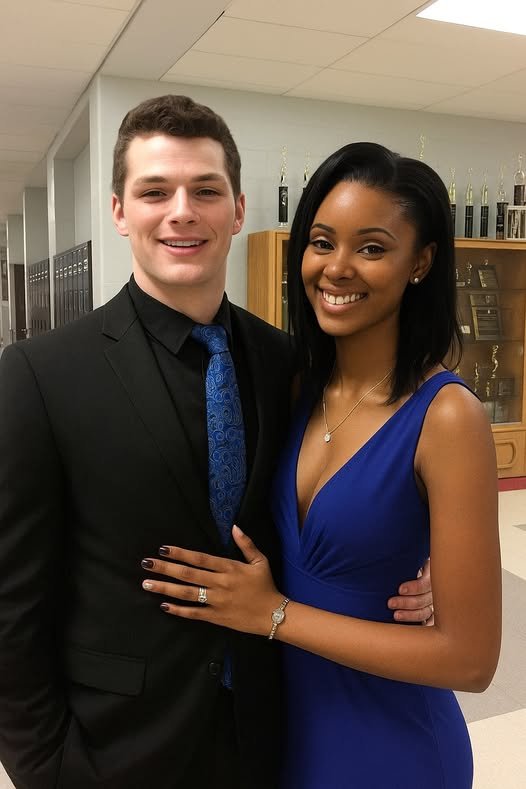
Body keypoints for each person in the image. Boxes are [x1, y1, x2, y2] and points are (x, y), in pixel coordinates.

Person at [0, 98, 431, 789]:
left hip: (273, 731)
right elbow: (13, 601)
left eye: (205, 190)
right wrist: (44, 767)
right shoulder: (41, 374)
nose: (182, 211)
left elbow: (335, 496)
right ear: (120, 211)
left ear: (236, 210)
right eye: (155, 192)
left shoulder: (289, 364)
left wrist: (408, 571)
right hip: (115, 748)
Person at [140, 143, 502, 788]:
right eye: (321, 242)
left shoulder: (447, 416)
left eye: (371, 248)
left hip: (393, 748)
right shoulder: (295, 385)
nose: (336, 268)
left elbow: (471, 661)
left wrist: (273, 613)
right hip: (285, 733)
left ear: (420, 262)